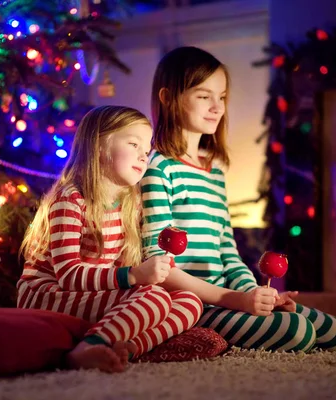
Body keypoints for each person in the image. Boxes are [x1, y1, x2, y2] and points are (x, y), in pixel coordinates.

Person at [141, 46, 336, 353]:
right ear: (167, 97)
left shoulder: (213, 173)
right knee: (299, 334)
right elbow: (157, 267)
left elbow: (228, 252)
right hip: (191, 302)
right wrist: (235, 300)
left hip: (229, 296)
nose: (217, 107)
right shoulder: (157, 168)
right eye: (203, 96)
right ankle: (190, 335)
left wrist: (255, 293)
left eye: (222, 96)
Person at [18, 105, 203, 373]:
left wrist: (144, 274)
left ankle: (130, 347)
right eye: (133, 144)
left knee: (189, 301)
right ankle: (87, 348)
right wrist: (135, 275)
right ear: (99, 147)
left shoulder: (128, 204)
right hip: (47, 294)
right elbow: (68, 275)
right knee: (154, 298)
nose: (144, 156)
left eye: (146, 149)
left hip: (90, 293)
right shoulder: (70, 199)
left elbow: (122, 273)